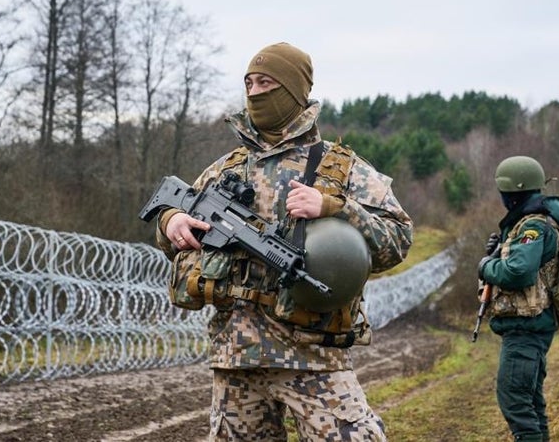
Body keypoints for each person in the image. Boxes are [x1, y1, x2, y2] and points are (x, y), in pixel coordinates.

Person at [153, 42, 413, 441]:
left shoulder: (341, 169)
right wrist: (170, 222)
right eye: (250, 83)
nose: (255, 92)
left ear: (294, 92)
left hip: (312, 354)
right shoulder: (228, 167)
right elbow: (175, 229)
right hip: (237, 357)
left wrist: (336, 208)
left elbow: (397, 238)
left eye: (266, 83)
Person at [477, 155, 559, 442]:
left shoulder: (534, 225)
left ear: (513, 193)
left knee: (515, 401)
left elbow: (518, 273)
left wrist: (486, 266)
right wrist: (500, 249)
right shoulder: (533, 222)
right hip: (530, 327)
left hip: (526, 329)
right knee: (531, 402)